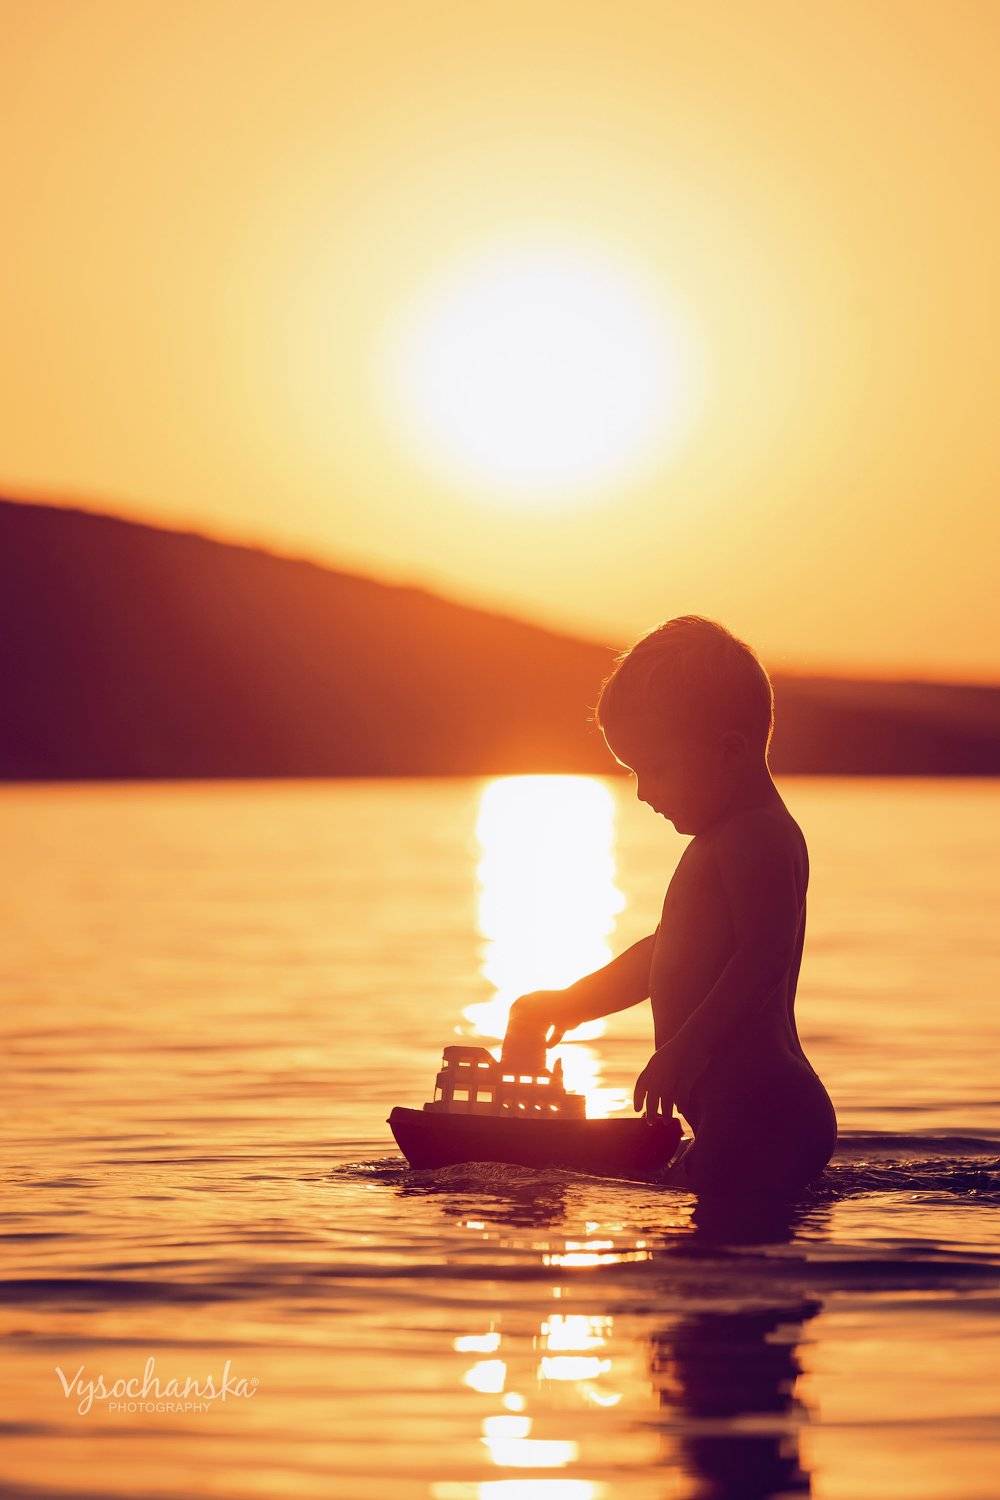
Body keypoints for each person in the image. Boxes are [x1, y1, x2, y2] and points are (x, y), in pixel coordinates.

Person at [501, 614, 837, 1200]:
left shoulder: (757, 835)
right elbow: (665, 954)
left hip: (764, 1112)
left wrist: (689, 1048)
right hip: (738, 1117)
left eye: (655, 768)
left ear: (728, 752)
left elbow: (766, 955)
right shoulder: (719, 839)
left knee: (713, 1271)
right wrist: (574, 1003)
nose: (642, 791)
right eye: (632, 771)